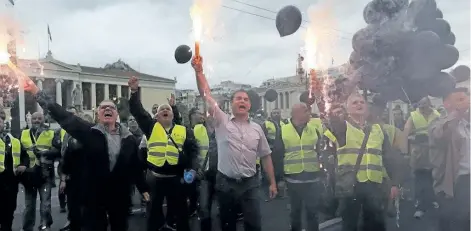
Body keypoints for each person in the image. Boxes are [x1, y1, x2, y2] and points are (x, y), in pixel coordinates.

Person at [24, 80, 150, 231]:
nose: (107, 109)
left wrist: (143, 189)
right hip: (94, 195)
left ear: (116, 114)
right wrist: (37, 92)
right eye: (103, 107)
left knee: (120, 226)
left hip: (119, 195)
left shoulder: (128, 138)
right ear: (98, 114)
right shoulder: (89, 132)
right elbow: (62, 115)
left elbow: (135, 166)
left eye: (111, 107)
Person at [192, 57, 277, 231]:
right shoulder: (222, 121)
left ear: (250, 105)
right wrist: (199, 72)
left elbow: (266, 156)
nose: (242, 101)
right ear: (231, 104)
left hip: (250, 184)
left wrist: (273, 182)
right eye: (238, 98)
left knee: (254, 225)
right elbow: (207, 95)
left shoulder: (257, 129)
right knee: (227, 225)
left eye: (245, 99)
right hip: (226, 184)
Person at [127, 77, 199, 231]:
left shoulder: (184, 130)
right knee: (153, 215)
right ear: (157, 116)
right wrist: (134, 92)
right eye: (162, 110)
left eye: (168, 109)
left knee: (181, 214)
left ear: (173, 115)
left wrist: (192, 170)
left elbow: (193, 152)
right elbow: (138, 111)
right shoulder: (151, 127)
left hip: (176, 180)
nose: (165, 110)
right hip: (155, 180)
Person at [325, 93, 400, 231]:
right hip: (351, 187)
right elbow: (334, 123)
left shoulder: (378, 129)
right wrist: (333, 113)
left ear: (367, 107)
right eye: (354, 103)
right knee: (351, 225)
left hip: (375, 186)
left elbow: (389, 158)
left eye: (362, 102)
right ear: (346, 108)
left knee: (376, 225)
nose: (359, 104)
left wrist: (394, 183)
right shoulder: (342, 128)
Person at [429, 87, 470, 231]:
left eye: (466, 98)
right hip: (453, 182)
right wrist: (457, 113)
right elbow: (440, 136)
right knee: (452, 222)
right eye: (460, 99)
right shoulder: (438, 124)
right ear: (447, 104)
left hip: (468, 180)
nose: (467, 102)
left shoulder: (468, 124)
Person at [282, 103, 323, 231]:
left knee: (313, 212)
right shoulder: (283, 130)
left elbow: (320, 151)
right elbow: (278, 155)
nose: (309, 113)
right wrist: (278, 179)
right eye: (305, 111)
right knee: (295, 213)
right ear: (296, 114)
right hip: (292, 180)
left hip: (312, 179)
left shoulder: (314, 129)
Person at [20, 111, 62, 231]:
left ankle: (45, 226)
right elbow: (18, 153)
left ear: (43, 120)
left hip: (45, 174)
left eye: (39, 118)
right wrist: (22, 165)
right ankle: (27, 227)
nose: (37, 121)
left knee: (46, 205)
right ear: (30, 120)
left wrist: (45, 153)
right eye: (35, 119)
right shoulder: (23, 134)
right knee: (29, 206)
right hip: (29, 175)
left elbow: (59, 151)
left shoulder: (51, 133)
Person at [403, 97, 440, 218]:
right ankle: (420, 206)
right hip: (418, 153)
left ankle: (431, 199)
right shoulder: (413, 116)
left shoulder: (437, 115)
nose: (422, 107)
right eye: (420, 105)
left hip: (433, 153)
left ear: (430, 104)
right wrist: (411, 140)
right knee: (420, 179)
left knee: (433, 178)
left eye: (424, 105)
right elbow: (405, 133)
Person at [59, 113, 94, 231]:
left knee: (90, 214)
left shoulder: (96, 139)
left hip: (92, 182)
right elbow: (65, 162)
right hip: (74, 181)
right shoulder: (71, 141)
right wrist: (63, 180)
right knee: (74, 212)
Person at [0, 110, 29, 231]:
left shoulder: (14, 140)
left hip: (11, 181)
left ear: (3, 123)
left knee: (9, 209)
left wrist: (24, 165)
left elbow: (24, 156)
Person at [261, 108, 286, 198]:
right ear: (271, 114)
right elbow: (262, 137)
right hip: (270, 152)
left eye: (277, 113)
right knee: (268, 172)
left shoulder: (284, 123)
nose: (276, 114)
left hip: (280, 152)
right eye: (274, 113)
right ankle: (267, 193)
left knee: (280, 173)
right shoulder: (266, 124)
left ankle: (279, 192)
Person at [57, 106, 77, 214]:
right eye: (69, 113)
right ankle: (62, 204)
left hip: (75, 164)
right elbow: (56, 144)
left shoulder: (80, 128)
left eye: (73, 113)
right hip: (63, 162)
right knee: (62, 185)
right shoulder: (61, 129)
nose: (71, 116)